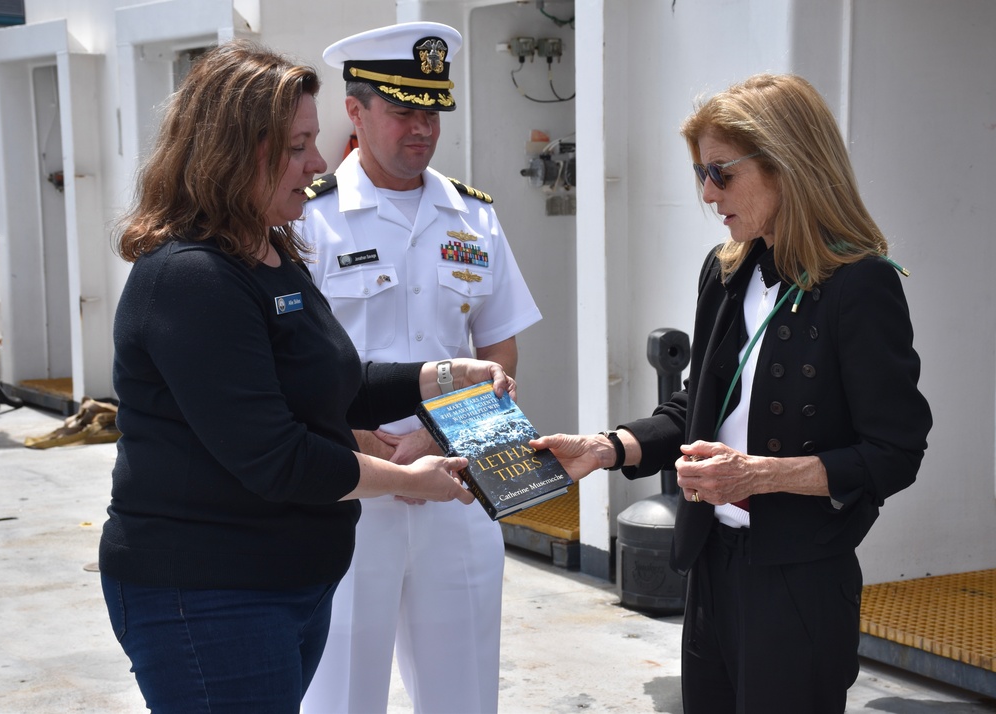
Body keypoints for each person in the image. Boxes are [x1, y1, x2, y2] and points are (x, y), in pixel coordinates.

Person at [98, 39, 514, 714]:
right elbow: (275, 455)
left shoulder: (269, 250)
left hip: (288, 576)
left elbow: (334, 381)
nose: (319, 162)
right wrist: (407, 479)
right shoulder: (192, 277)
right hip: (211, 590)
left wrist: (437, 377)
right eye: (296, 147)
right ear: (233, 150)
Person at [532, 73, 932, 714]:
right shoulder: (728, 269)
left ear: (786, 164)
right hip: (712, 562)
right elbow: (701, 403)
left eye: (720, 173)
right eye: (699, 174)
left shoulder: (861, 287)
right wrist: (609, 449)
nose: (706, 194)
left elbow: (895, 452)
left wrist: (759, 475)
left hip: (798, 580)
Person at [300, 22, 542, 714]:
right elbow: (293, 368)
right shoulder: (308, 220)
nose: (423, 129)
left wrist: (440, 439)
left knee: (465, 694)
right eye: (403, 109)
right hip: (349, 492)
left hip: (462, 483)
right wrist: (368, 451)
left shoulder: (473, 216)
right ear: (356, 110)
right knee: (339, 695)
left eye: (432, 110)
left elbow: (500, 348)